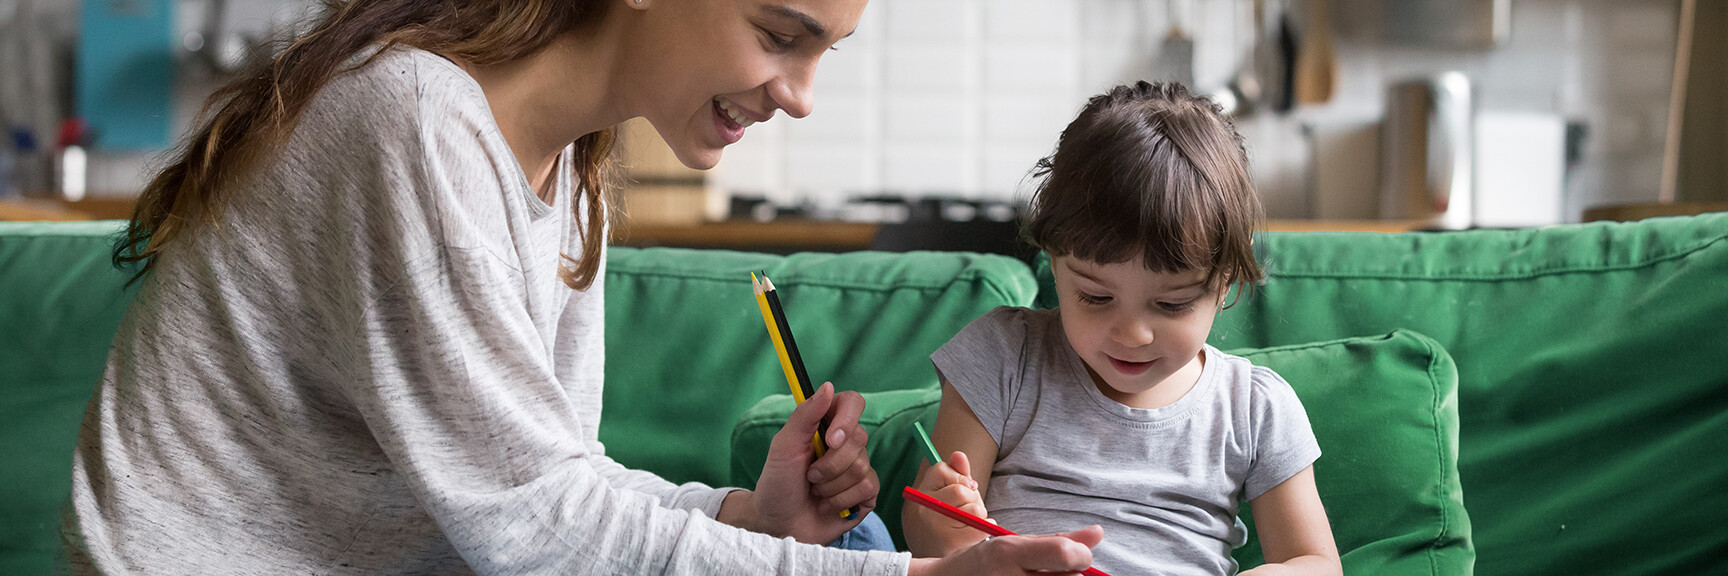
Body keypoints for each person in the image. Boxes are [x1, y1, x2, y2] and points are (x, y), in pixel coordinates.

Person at [62, 0, 1105, 574]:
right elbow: (536, 531)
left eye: (825, 52)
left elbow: (552, 484)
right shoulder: (415, 124)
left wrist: (748, 514)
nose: (799, 95)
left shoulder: (570, 171)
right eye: (781, 35)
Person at [902, 81, 1343, 576]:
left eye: (1172, 305)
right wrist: (947, 527)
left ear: (1224, 284)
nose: (1132, 334)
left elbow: (1316, 563)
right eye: (1096, 297)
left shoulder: (1255, 406)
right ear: (1055, 262)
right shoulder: (1005, 355)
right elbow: (932, 536)